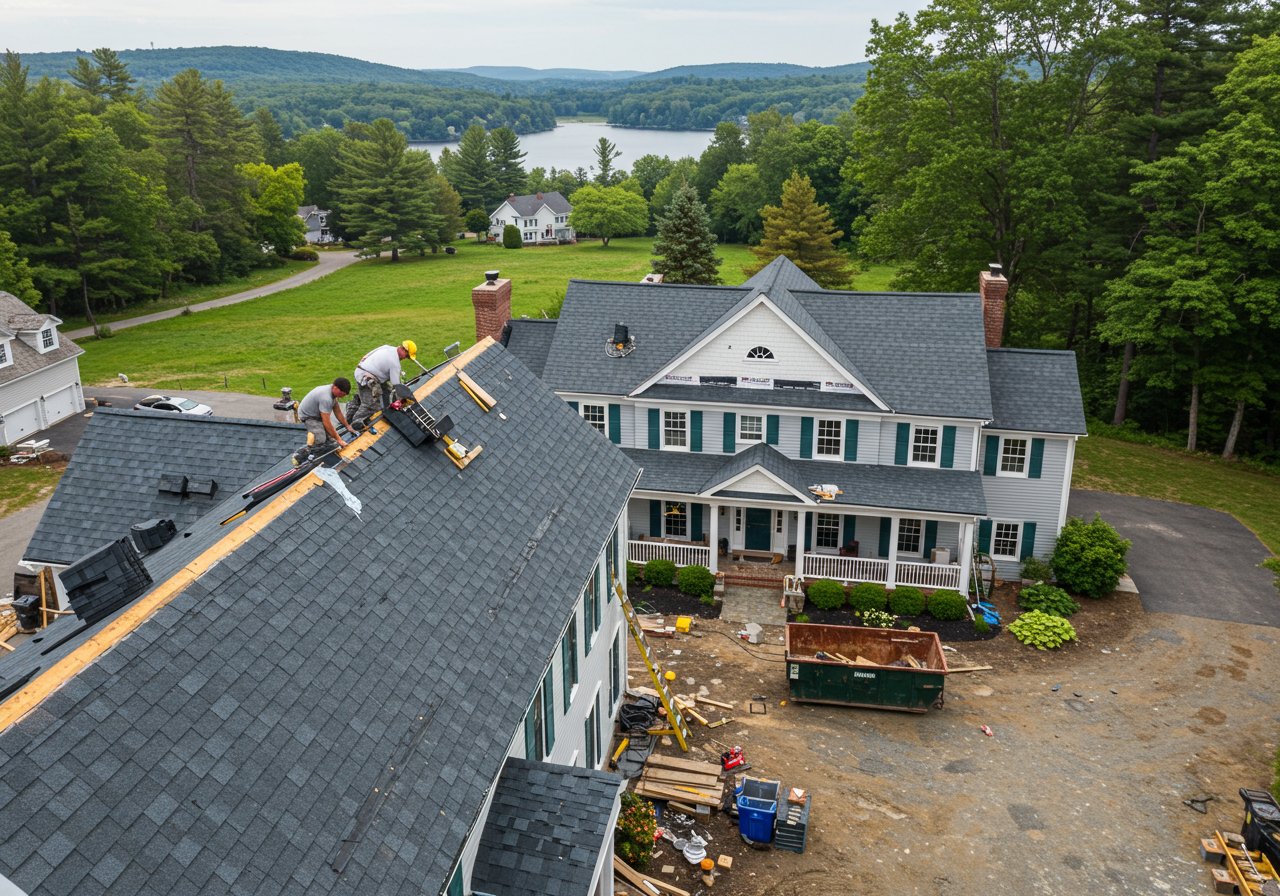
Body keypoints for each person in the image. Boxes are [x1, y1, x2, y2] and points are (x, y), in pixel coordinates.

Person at [346, 340, 417, 429]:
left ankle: (354, 407)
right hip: (367, 378)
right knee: (373, 405)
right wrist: (406, 401)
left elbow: (366, 356)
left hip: (361, 370)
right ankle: (355, 424)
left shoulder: (386, 347)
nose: (404, 358)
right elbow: (396, 386)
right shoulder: (395, 363)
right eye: (406, 356)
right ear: (403, 350)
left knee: (384, 392)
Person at [292, 377, 352, 465]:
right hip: (308, 416)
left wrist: (347, 426)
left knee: (330, 442)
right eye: (341, 394)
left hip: (316, 415)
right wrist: (339, 440)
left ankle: (324, 448)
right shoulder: (326, 397)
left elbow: (338, 412)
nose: (342, 396)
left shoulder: (332, 392)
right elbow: (326, 422)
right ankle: (304, 455)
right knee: (320, 439)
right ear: (335, 387)